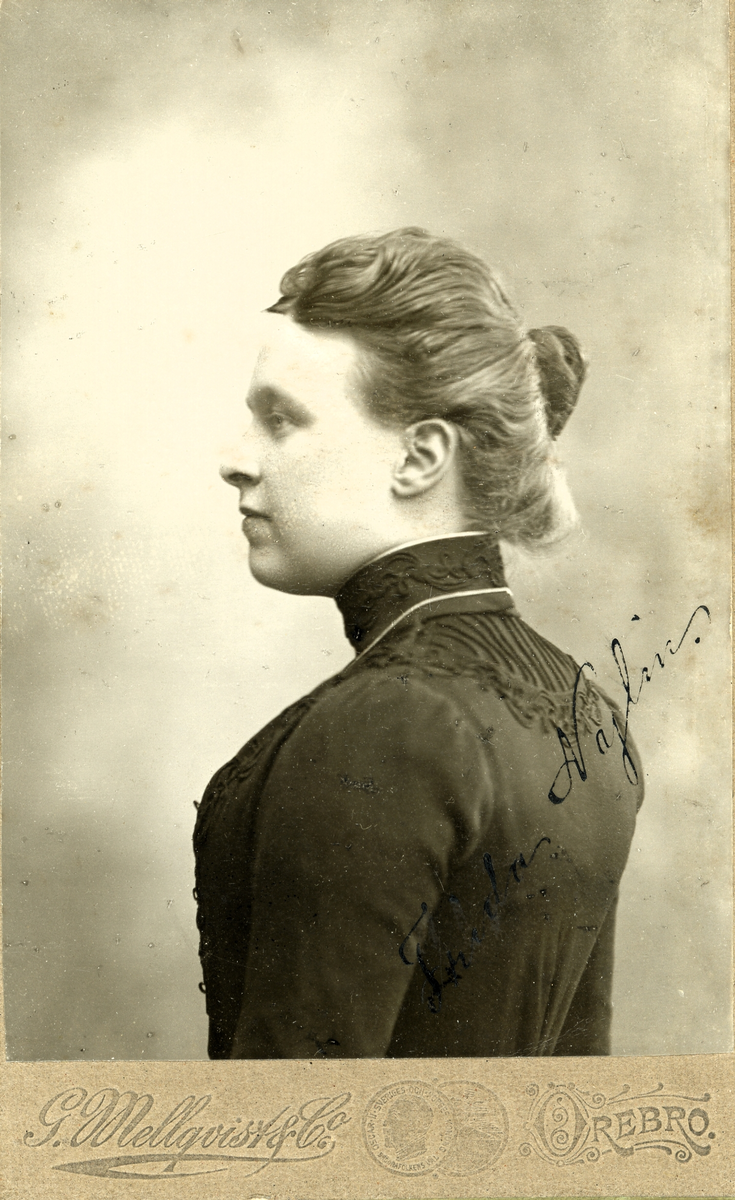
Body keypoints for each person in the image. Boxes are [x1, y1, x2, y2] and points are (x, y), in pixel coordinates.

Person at [193, 227, 644, 1060]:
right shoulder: (585, 708)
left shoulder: (382, 723)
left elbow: (292, 1124)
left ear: (419, 457)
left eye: (280, 420)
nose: (234, 460)